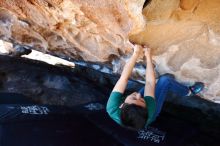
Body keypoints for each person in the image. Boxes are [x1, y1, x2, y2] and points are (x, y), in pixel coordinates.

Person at [106, 44, 204, 130]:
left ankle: (165, 85)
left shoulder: (112, 108)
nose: (138, 95)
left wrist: (135, 54)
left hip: (137, 113)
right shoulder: (150, 109)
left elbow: (124, 78)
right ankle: (188, 92)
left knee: (158, 83)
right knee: (165, 80)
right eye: (142, 100)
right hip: (149, 113)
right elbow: (149, 83)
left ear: (122, 105)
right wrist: (149, 57)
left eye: (133, 98)